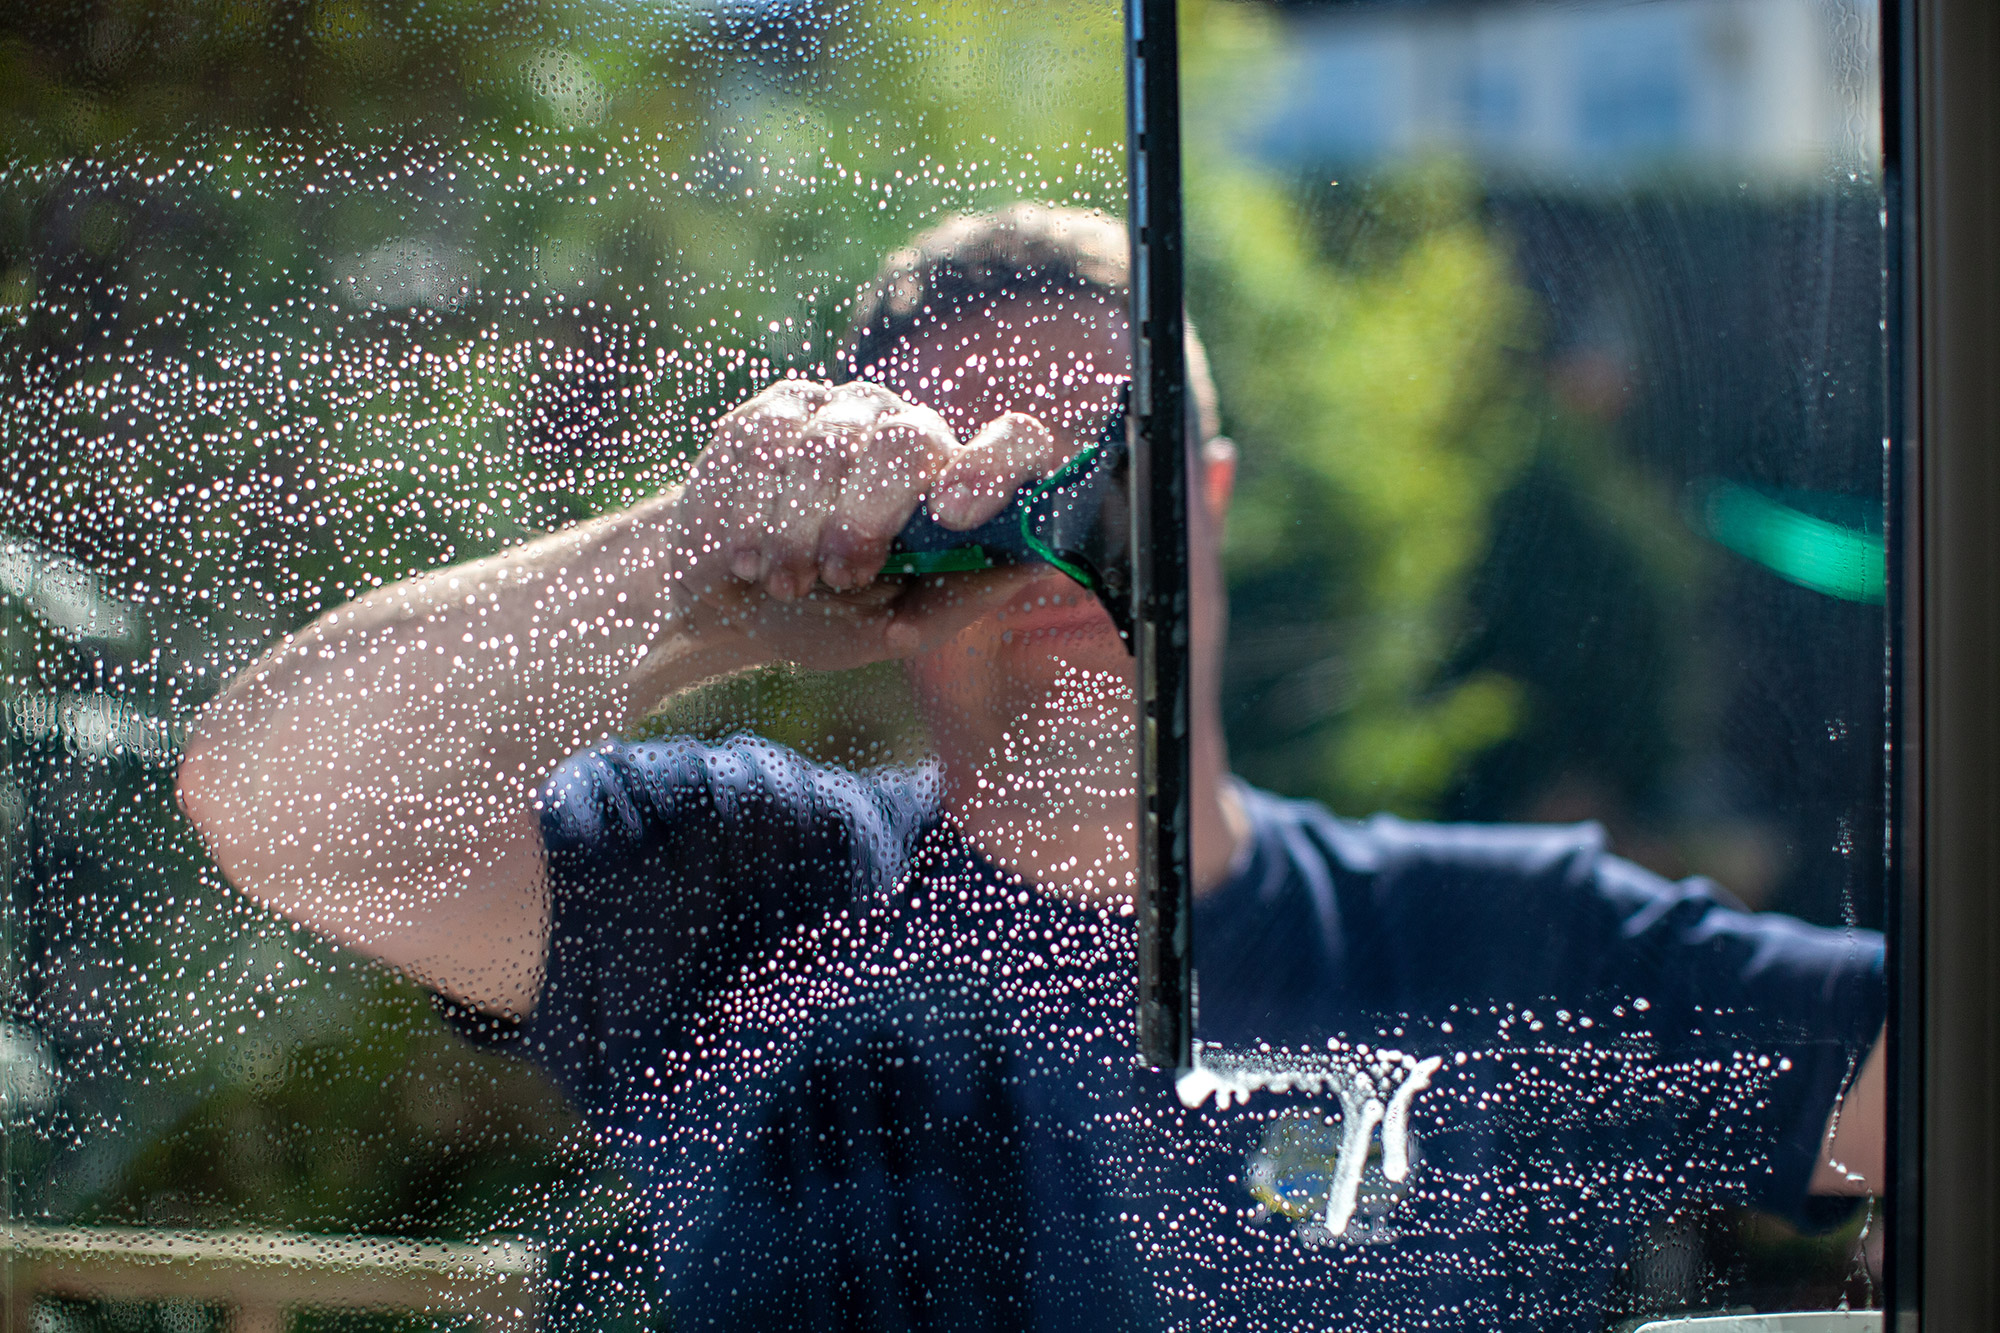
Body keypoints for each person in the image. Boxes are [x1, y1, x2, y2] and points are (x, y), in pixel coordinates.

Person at [175, 204, 1885, 1332]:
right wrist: (706, 571)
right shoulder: (753, 893)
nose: (1056, 543)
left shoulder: (1514, 948)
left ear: (1206, 502)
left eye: (1105, 469)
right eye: (964, 497)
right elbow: (276, 807)